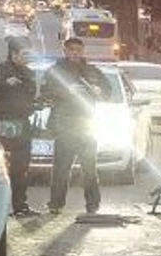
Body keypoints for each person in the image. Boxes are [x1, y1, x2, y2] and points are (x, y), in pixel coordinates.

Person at [39, 36, 109, 215]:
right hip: (64, 125)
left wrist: (100, 91)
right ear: (65, 51)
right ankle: (55, 204)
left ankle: (92, 205)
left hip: (87, 125)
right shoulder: (55, 71)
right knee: (61, 168)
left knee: (90, 169)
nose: (75, 54)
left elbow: (107, 91)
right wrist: (66, 92)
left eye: (78, 50)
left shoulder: (92, 71)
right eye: (71, 50)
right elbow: (45, 92)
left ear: (82, 51)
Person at [0, 39, 39, 216]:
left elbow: (31, 94)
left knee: (21, 167)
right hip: (6, 122)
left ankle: (20, 206)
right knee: (2, 166)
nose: (27, 57)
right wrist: (6, 83)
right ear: (14, 55)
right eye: (24, 54)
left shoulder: (29, 73)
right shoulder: (1, 70)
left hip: (23, 122)